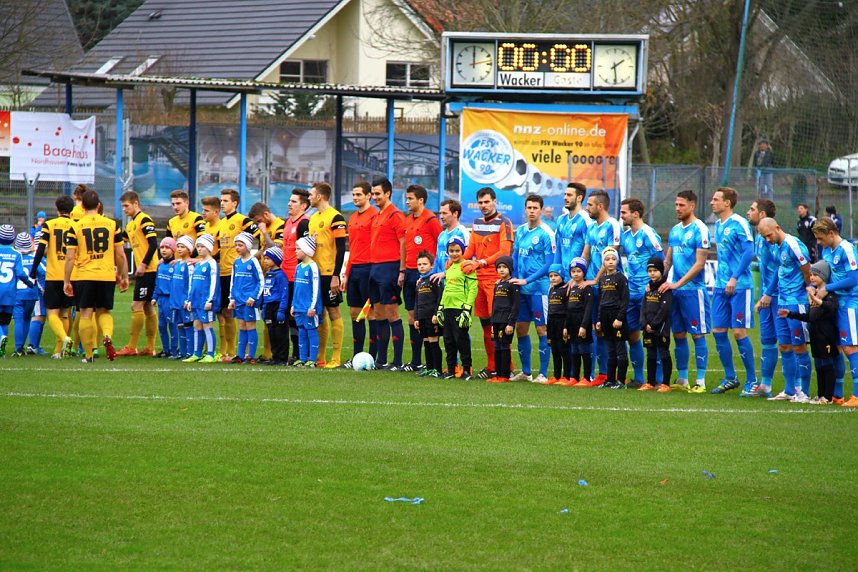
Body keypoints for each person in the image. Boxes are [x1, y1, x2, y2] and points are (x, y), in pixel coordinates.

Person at [63, 190, 129, 363]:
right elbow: (121, 254)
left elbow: (70, 257)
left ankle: (89, 355)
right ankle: (106, 335)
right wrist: (122, 275)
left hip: (84, 275)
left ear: (82, 206)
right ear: (99, 205)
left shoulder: (76, 226)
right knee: (104, 311)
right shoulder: (113, 224)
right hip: (105, 274)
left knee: (85, 314)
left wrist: (67, 280)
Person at [660, 189, 711, 393]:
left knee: (697, 335)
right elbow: (668, 260)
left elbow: (699, 264)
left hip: (693, 291)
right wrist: (658, 282)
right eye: (676, 204)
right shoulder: (675, 230)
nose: (677, 208)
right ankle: (682, 379)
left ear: (692, 206)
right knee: (679, 334)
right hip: (676, 291)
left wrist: (677, 284)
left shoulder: (700, 229)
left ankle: (700, 381)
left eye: (681, 205)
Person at [757, 218, 812, 402]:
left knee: (800, 346)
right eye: (764, 237)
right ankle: (789, 390)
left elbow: (807, 272)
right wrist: (769, 293)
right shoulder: (776, 247)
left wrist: (808, 294)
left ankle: (803, 392)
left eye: (769, 235)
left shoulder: (794, 245)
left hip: (796, 302)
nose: (767, 239)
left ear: (778, 228)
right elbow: (779, 274)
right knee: (784, 345)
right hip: (782, 302)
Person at [708, 187, 757, 394]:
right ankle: (730, 377)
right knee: (718, 331)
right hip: (720, 285)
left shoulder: (739, 223)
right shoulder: (718, 225)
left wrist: (735, 277)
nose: (712, 202)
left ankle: (752, 381)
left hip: (740, 285)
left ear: (727, 202)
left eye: (716, 199)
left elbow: (749, 252)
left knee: (738, 331)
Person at [461, 188, 514, 379]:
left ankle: (506, 367)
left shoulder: (504, 223)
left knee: (498, 325)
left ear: (494, 202)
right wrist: (458, 260)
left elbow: (504, 252)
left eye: (486, 202)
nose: (483, 206)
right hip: (479, 280)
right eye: (480, 203)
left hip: (496, 281)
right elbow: (470, 250)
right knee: (485, 325)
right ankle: (491, 366)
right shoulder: (476, 223)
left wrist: (481, 262)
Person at [779, 260, 839, 404]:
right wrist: (790, 314)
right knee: (818, 365)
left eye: (815, 275)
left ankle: (828, 397)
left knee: (827, 365)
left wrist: (815, 299)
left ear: (823, 276)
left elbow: (831, 308)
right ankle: (820, 395)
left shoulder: (829, 294)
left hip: (826, 336)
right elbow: (809, 317)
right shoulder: (815, 294)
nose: (811, 277)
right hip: (815, 336)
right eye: (810, 275)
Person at [510, 194, 555, 383]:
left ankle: (543, 374)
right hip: (522, 289)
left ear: (541, 210)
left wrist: (527, 280)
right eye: (529, 207)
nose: (531, 211)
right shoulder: (520, 231)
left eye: (535, 208)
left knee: (542, 329)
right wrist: (511, 277)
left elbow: (549, 264)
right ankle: (526, 372)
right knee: (521, 329)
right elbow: (515, 257)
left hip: (539, 290)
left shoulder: (546, 233)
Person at [813, 216, 858, 406]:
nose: (818, 242)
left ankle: (856, 395)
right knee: (836, 347)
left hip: (850, 303)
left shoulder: (847, 249)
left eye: (821, 238)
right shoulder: (826, 250)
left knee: (851, 347)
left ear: (831, 233)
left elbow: (854, 278)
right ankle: (836, 394)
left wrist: (828, 289)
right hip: (834, 303)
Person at [619, 197, 663, 388]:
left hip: (648, 293)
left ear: (635, 214)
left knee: (652, 334)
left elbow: (660, 260)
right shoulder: (627, 236)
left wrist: (654, 285)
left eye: (624, 213)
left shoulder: (648, 233)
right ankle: (638, 378)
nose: (621, 216)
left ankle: (659, 379)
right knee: (631, 334)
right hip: (631, 292)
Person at [582, 189, 622, 384]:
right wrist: (578, 275)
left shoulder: (613, 225)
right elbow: (586, 254)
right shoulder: (591, 228)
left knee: (609, 330)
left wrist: (596, 280)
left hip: (609, 287)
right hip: (593, 286)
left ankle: (613, 374)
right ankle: (602, 374)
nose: (586, 208)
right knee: (596, 328)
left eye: (589, 204)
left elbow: (610, 258)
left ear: (600, 206)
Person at [401, 184, 443, 372]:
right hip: (410, 272)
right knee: (413, 316)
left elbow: (440, 245)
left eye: (410, 198)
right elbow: (404, 246)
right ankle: (416, 360)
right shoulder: (408, 220)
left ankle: (434, 362)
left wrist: (436, 272)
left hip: (427, 275)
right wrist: (402, 270)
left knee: (429, 316)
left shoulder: (431, 220)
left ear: (421, 200)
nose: (407, 201)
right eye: (407, 198)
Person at [30, 195, 76, 358]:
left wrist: (33, 270)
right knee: (65, 312)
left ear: (57, 209)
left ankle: (64, 339)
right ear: (72, 210)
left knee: (52, 313)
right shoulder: (75, 225)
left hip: (53, 274)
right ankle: (59, 350)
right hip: (71, 276)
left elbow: (41, 249)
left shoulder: (49, 225)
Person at [217, 188, 260, 362]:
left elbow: (260, 238)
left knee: (243, 317)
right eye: (221, 200)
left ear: (235, 203)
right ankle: (230, 351)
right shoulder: (221, 223)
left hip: (240, 276)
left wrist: (255, 257)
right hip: (224, 272)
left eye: (226, 200)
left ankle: (243, 352)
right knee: (226, 313)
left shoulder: (242, 220)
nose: (222, 203)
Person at [308, 182, 348, 368]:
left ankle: (336, 357)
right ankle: (321, 357)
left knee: (333, 311)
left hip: (329, 273)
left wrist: (335, 275)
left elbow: (341, 249)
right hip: (315, 275)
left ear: (320, 196)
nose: (309, 198)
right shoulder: (313, 218)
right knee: (319, 313)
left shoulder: (336, 217)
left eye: (311, 194)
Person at [368, 177, 407, 370]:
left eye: (378, 194)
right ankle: (381, 360)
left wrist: (401, 269)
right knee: (378, 314)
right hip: (374, 268)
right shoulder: (377, 215)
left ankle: (397, 361)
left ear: (388, 193)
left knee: (392, 313)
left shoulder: (396, 215)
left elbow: (403, 243)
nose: (374, 197)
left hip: (390, 268)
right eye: (373, 194)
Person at [116, 190, 160, 357]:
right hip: (145, 271)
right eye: (123, 207)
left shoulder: (144, 220)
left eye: (126, 206)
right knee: (148, 307)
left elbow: (153, 244)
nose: (124, 209)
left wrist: (143, 264)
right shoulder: (130, 224)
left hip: (149, 270)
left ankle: (132, 346)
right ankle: (150, 348)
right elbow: (120, 241)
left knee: (137, 305)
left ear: (136, 204)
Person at [342, 181, 378, 367]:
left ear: (368, 196)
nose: (355, 198)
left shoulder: (375, 216)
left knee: (370, 313)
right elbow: (353, 248)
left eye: (359, 194)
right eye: (354, 195)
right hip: (354, 268)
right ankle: (357, 356)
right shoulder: (353, 217)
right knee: (355, 313)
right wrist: (346, 273)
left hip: (369, 268)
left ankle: (372, 357)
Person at [747, 198, 779, 398]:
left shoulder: (772, 239)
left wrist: (768, 293)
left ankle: (797, 388)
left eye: (752, 209)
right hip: (765, 297)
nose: (748, 212)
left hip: (778, 296)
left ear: (762, 215)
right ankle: (765, 386)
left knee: (789, 342)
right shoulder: (760, 238)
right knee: (767, 341)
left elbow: (778, 268)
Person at [436, 236, 477, 379]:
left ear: (462, 251)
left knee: (461, 339)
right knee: (448, 339)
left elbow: (473, 289)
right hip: (447, 307)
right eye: (451, 251)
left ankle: (467, 370)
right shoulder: (448, 267)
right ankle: (452, 370)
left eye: (457, 250)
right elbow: (446, 288)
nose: (454, 253)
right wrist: (441, 307)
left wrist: (467, 308)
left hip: (460, 308)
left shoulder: (467, 266)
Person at [280, 189, 311, 363]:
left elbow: (305, 251)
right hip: (285, 276)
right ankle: (295, 352)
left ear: (303, 205)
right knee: (288, 316)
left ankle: (302, 353)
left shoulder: (304, 223)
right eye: (289, 201)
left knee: (298, 315)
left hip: (296, 277)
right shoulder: (288, 222)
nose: (289, 204)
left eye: (294, 202)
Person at [227, 232, 264, 364]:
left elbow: (260, 281)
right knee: (242, 326)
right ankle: (240, 354)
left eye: (240, 245)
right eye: (236, 245)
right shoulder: (236, 262)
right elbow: (233, 281)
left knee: (250, 325)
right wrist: (232, 298)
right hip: (239, 301)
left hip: (249, 302)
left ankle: (251, 355)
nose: (237, 247)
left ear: (247, 246)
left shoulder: (253, 261)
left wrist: (253, 297)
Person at [595, 247, 629, 389]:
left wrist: (620, 318)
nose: (610, 262)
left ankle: (621, 381)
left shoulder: (621, 278)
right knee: (610, 350)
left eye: (613, 259)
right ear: (603, 262)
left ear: (617, 261)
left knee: (620, 349)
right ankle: (610, 379)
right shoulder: (602, 280)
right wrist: (598, 320)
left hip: (617, 317)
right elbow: (601, 301)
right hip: (605, 317)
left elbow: (625, 299)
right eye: (607, 259)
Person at [0, 225, 36, 357]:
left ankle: (1, 338)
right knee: (5, 320)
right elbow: (20, 273)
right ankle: (7, 346)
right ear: (13, 238)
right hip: (10, 293)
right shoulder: (16, 254)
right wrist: (30, 283)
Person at [183, 234, 220, 363]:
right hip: (196, 301)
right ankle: (197, 353)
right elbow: (192, 284)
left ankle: (211, 353)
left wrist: (210, 300)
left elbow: (214, 283)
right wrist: (189, 300)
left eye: (202, 246)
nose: (199, 249)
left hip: (206, 301)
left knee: (207, 325)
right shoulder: (198, 264)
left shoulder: (212, 264)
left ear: (209, 248)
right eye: (197, 246)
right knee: (197, 325)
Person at [639, 256, 673, 392]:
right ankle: (650, 382)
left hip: (660, 328)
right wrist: (644, 323)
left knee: (664, 353)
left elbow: (665, 309)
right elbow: (643, 307)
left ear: (661, 271)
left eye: (655, 270)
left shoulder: (665, 288)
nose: (652, 273)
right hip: (648, 327)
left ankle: (665, 383)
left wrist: (653, 325)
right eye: (650, 271)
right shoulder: (648, 288)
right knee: (651, 355)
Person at [489, 255, 519, 383]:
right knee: (496, 346)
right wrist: (491, 322)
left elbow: (516, 305)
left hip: (506, 321)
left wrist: (511, 323)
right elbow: (494, 304)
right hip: (496, 320)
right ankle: (498, 374)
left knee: (504, 346)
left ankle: (505, 375)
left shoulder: (513, 285)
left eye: (504, 267)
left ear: (510, 269)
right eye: (499, 267)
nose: (501, 270)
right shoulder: (498, 284)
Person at [413, 251, 443, 378]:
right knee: (426, 341)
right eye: (419, 264)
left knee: (433, 341)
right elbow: (417, 301)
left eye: (425, 264)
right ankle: (429, 368)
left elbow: (440, 298)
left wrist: (436, 314)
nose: (422, 266)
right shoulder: (419, 282)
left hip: (432, 317)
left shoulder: (434, 280)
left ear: (431, 265)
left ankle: (437, 369)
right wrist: (416, 318)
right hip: (422, 317)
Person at [293, 235, 322, 367]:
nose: (296, 250)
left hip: (309, 308)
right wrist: (293, 305)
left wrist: (313, 307)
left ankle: (313, 359)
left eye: (298, 248)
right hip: (298, 307)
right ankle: (303, 358)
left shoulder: (313, 267)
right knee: (302, 332)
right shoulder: (298, 267)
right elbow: (296, 289)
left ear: (307, 250)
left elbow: (316, 289)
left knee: (311, 331)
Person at [554, 182, 593, 281]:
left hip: (579, 280)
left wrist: (577, 276)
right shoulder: (560, 220)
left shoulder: (586, 220)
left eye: (569, 195)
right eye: (565, 194)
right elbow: (558, 248)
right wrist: (555, 273)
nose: (565, 198)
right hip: (563, 279)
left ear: (579, 198)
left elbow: (588, 251)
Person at [567, 257, 595, 387]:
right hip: (572, 324)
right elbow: (568, 309)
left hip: (582, 323)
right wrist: (566, 326)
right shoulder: (571, 288)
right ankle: (574, 377)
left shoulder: (587, 289)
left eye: (578, 271)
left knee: (584, 350)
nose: (576, 274)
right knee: (574, 350)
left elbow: (589, 309)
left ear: (584, 272)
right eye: (573, 271)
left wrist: (584, 326)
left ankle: (586, 377)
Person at [12, 233, 41, 355]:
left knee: (18, 320)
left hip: (17, 293)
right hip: (31, 293)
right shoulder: (35, 257)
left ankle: (19, 348)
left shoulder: (14, 256)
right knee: (27, 318)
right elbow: (43, 271)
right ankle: (22, 346)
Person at [261, 246, 290, 366]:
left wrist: (282, 310)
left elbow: (284, 293)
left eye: (268, 258)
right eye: (265, 258)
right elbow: (265, 291)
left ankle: (282, 358)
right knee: (271, 332)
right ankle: (275, 356)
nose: (265, 261)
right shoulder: (268, 274)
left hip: (277, 306)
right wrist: (263, 307)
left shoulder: (280, 275)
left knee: (280, 333)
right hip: (268, 306)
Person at [545, 264, 572, 384]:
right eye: (551, 276)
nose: (553, 278)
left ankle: (566, 376)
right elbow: (550, 309)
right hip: (552, 322)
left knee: (564, 349)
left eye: (556, 275)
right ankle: (556, 376)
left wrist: (566, 326)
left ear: (562, 275)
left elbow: (568, 309)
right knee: (554, 349)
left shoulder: (566, 289)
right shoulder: (551, 289)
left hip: (562, 322)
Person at [170, 236, 195, 360]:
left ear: (189, 249)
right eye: (178, 246)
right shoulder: (177, 264)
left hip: (184, 302)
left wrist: (188, 300)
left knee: (188, 325)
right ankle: (182, 351)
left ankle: (190, 351)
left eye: (182, 247)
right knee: (179, 325)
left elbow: (191, 283)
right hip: (176, 301)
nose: (179, 249)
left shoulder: (189, 265)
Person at [153, 237, 178, 358]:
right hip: (161, 300)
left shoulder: (176, 265)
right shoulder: (160, 265)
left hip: (171, 299)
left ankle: (174, 350)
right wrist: (154, 297)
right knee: (161, 326)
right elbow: (157, 283)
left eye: (167, 248)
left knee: (172, 324)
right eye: (162, 247)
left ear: (173, 250)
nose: (164, 250)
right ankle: (165, 349)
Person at [431, 199, 470, 278]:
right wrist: (427, 277)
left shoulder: (462, 233)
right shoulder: (441, 235)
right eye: (440, 213)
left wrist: (445, 274)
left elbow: (466, 260)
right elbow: (437, 260)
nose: (441, 217)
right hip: (440, 282)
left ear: (455, 213)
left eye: (444, 213)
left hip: (456, 283)